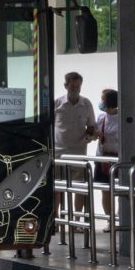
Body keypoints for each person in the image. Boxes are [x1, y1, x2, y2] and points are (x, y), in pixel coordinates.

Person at [53, 72, 98, 212]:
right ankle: (56, 220)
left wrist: (91, 136)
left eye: (78, 86)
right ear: (65, 86)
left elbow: (91, 126)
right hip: (58, 153)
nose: (76, 89)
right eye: (72, 86)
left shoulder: (86, 104)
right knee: (56, 188)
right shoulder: (57, 103)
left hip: (78, 153)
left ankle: (77, 220)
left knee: (79, 188)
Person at [94, 88, 121, 229]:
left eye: (103, 99)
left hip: (118, 160)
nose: (101, 102)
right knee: (105, 191)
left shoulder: (122, 118)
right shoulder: (101, 117)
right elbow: (93, 134)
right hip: (102, 158)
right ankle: (110, 220)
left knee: (121, 190)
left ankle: (120, 215)